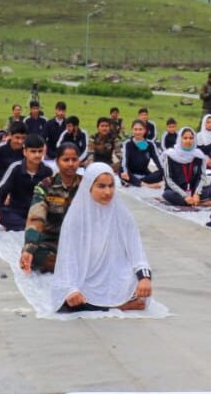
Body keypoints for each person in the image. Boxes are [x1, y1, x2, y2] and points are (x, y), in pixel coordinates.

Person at [50, 162, 154, 313]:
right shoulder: (76, 218)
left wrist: (144, 279)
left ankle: (110, 303)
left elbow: (137, 251)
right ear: (89, 187)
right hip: (84, 277)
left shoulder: (123, 215)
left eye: (111, 186)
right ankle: (118, 305)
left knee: (138, 288)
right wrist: (71, 288)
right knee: (67, 298)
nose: (108, 192)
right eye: (101, 186)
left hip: (117, 276)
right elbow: (68, 258)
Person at [19, 143, 83, 274]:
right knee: (35, 254)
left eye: (74, 159)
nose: (71, 164)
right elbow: (36, 218)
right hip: (52, 241)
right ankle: (73, 266)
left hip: (80, 241)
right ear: (57, 162)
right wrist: (29, 248)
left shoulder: (87, 186)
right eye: (66, 160)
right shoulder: (45, 186)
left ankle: (72, 265)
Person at [0, 135, 53, 231]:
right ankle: (31, 226)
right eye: (33, 151)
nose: (37, 155)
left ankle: (25, 226)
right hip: (17, 210)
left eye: (40, 151)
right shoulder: (15, 168)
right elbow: (0, 190)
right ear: (25, 152)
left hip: (38, 212)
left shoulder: (48, 171)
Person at [162, 127, 211, 207]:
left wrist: (197, 193)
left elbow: (202, 177)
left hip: (193, 190)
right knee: (167, 194)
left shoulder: (199, 155)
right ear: (180, 139)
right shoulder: (170, 155)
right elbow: (168, 179)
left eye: (191, 138)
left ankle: (194, 201)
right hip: (177, 192)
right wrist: (185, 195)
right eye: (185, 138)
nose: (188, 141)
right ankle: (200, 203)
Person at [121, 120, 165, 188]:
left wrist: (163, 172)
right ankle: (146, 185)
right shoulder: (128, 144)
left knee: (163, 172)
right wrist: (125, 172)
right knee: (123, 172)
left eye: (140, 129)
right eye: (135, 129)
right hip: (130, 174)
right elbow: (124, 162)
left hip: (144, 174)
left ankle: (137, 182)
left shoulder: (149, 144)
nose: (138, 132)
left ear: (144, 130)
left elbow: (158, 161)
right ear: (132, 130)